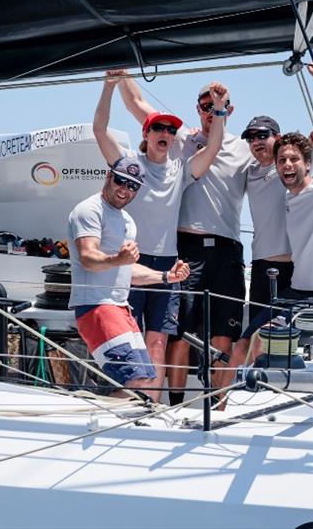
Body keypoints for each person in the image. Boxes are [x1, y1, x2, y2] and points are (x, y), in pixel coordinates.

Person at [117, 73, 253, 405]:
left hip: (227, 249)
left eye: (219, 106)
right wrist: (120, 73)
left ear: (229, 110)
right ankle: (174, 405)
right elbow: (137, 104)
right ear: (198, 108)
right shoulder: (178, 139)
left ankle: (217, 407)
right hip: (186, 248)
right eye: (206, 106)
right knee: (178, 332)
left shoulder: (243, 149)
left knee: (224, 334)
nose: (211, 111)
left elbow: (281, 166)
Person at [93, 70, 228, 403]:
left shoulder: (180, 169)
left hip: (167, 266)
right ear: (147, 133)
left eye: (171, 129)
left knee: (157, 341)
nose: (165, 133)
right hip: (131, 262)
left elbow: (213, 147)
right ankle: (131, 397)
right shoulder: (129, 165)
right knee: (130, 337)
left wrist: (220, 109)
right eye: (158, 127)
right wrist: (109, 87)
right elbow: (99, 130)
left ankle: (151, 405)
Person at [217, 128, 313, 403]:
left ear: (308, 164)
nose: (287, 164)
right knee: (243, 343)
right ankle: (218, 408)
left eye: (294, 159)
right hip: (296, 293)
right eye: (282, 160)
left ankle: (249, 405)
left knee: (263, 340)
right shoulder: (286, 198)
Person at [67, 156, 191, 401]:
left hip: (121, 308)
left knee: (147, 380)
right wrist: (116, 260)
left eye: (133, 185)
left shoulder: (128, 222)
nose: (125, 189)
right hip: (97, 307)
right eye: (121, 181)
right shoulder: (89, 209)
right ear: (108, 177)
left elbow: (126, 269)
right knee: (135, 381)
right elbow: (88, 257)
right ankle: (99, 422)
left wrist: (166, 276)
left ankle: (115, 422)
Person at [243, 64, 313, 322]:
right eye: (250, 138)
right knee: (257, 336)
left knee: (290, 334)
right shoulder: (247, 172)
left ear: (277, 137)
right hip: (261, 267)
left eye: (262, 135)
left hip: (295, 269)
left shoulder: (290, 166)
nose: (256, 141)